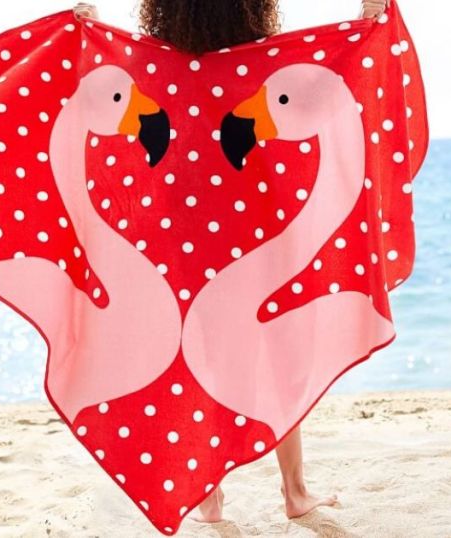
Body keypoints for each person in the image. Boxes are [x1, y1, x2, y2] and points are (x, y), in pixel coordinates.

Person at [73, 0, 389, 525]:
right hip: (255, 224)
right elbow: (334, 81)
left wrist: (91, 26)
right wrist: (369, 21)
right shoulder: (263, 63)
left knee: (200, 355)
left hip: (179, 233)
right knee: (277, 353)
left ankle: (210, 495)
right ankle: (294, 491)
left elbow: (104, 87)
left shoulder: (157, 65)